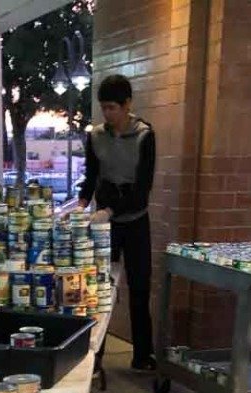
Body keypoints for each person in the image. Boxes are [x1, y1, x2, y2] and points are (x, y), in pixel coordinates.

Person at [77, 74, 156, 371]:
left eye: (113, 107)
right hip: (104, 221)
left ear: (127, 105)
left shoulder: (145, 135)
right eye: (104, 108)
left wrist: (109, 210)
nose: (108, 114)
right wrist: (82, 204)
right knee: (99, 289)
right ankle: (94, 357)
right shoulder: (96, 135)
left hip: (135, 219)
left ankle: (142, 355)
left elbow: (142, 188)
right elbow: (92, 175)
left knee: (139, 287)